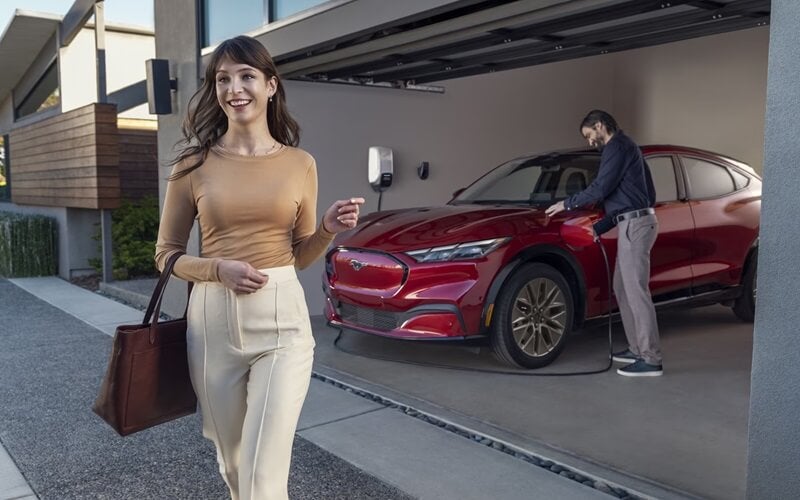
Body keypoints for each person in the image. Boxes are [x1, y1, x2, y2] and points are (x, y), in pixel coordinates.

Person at [155, 35, 365, 499]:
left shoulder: (300, 164)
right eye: (223, 79)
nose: (234, 88)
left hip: (283, 324)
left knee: (263, 470)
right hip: (213, 324)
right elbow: (166, 255)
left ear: (271, 85)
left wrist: (327, 229)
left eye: (246, 76)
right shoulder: (193, 164)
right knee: (233, 464)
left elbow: (301, 254)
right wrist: (216, 269)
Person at [545, 109, 662, 377]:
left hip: (635, 225)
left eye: (589, 135)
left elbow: (601, 187)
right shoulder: (628, 147)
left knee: (636, 292)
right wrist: (600, 227)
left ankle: (652, 358)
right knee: (622, 288)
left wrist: (567, 203)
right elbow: (642, 195)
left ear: (599, 125)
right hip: (632, 222)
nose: (589, 141)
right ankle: (636, 348)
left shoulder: (616, 146)